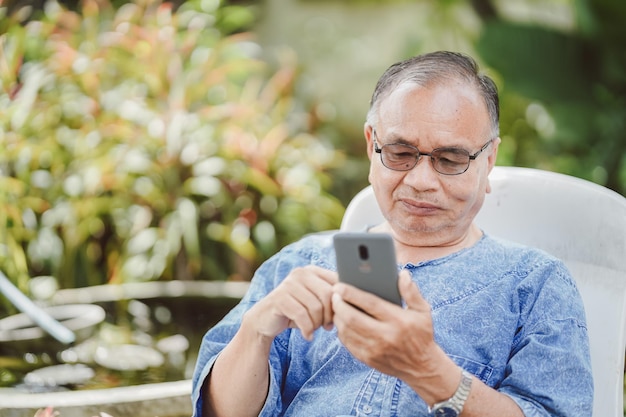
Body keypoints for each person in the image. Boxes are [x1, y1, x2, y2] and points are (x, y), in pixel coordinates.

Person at [191, 51, 593, 417]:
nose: (420, 181)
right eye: (400, 154)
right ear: (372, 147)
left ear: (488, 161)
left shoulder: (534, 284)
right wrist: (257, 331)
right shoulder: (298, 266)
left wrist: (431, 372)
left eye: (450, 159)